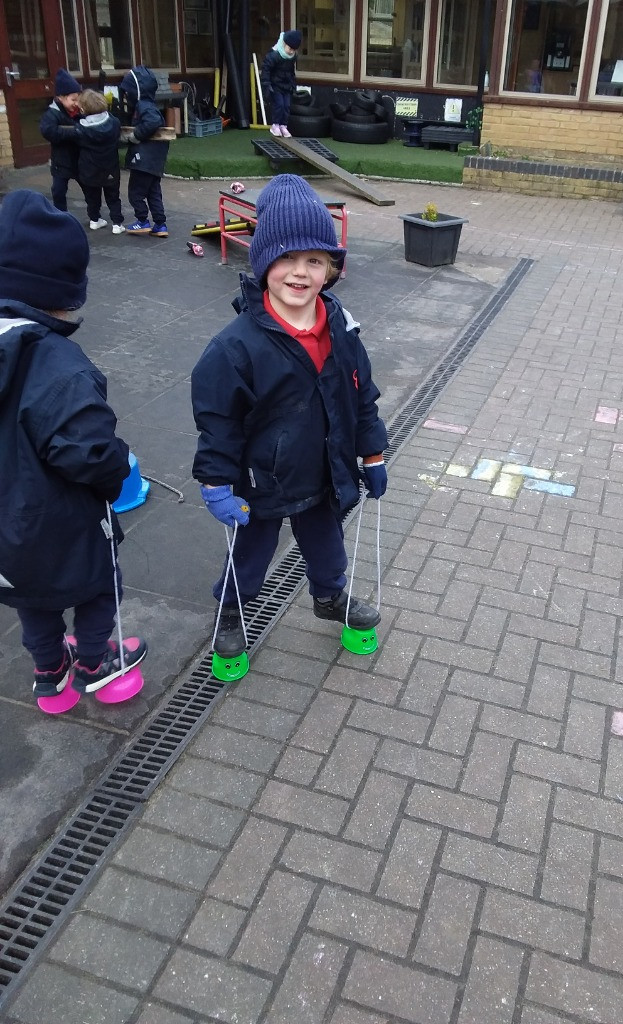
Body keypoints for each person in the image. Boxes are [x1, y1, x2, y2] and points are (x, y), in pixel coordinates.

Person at [191, 174, 388, 656]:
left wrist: (373, 452)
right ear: (263, 264)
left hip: (324, 472)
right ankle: (232, 612)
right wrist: (216, 483)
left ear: (331, 269)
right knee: (251, 557)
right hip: (260, 482)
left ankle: (329, 596)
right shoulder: (235, 347)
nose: (300, 273)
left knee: (327, 547)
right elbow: (218, 422)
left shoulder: (342, 329)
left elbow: (361, 396)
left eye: (314, 261)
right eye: (286, 258)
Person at [0, 190, 147, 703]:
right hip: (63, 522)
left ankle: (49, 673)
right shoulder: (59, 365)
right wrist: (115, 472)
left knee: (31, 598)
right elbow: (87, 451)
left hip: (6, 531)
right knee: (98, 586)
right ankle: (93, 660)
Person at [119, 66, 170, 236]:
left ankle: (142, 221)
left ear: (136, 90)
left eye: (128, 91)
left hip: (143, 160)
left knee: (135, 192)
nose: (126, 96)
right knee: (153, 192)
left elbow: (153, 121)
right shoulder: (148, 104)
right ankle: (160, 224)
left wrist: (136, 136)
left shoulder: (144, 106)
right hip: (155, 161)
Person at [72, 89, 125, 234]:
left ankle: (94, 220)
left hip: (89, 168)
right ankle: (117, 223)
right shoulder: (114, 122)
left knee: (92, 196)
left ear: (83, 109)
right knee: (113, 196)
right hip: (110, 166)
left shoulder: (80, 128)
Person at [39, 68, 83, 212]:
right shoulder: (52, 113)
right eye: (73, 99)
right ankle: (60, 215)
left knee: (89, 189)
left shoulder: (80, 112)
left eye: (78, 99)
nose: (76, 103)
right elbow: (48, 131)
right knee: (58, 191)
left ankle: (95, 215)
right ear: (60, 98)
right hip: (61, 160)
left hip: (79, 159)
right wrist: (74, 131)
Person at [260, 29, 302, 137]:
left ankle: (284, 126)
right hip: (275, 85)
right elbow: (266, 69)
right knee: (279, 105)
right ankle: (275, 125)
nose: (291, 51)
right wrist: (266, 84)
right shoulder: (274, 55)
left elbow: (291, 71)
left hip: (286, 85)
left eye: (294, 49)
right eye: (290, 48)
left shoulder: (292, 57)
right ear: (284, 44)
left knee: (287, 106)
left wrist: (293, 84)